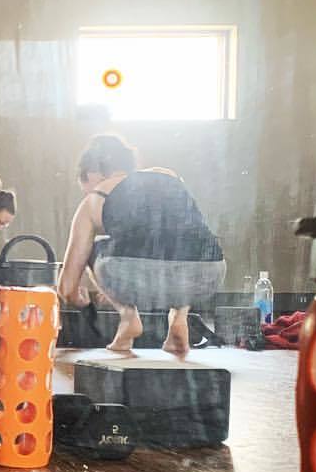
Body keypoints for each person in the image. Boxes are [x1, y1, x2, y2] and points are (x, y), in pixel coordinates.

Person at [56, 134, 225, 356]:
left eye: (85, 187)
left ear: (92, 173)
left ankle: (128, 318)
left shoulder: (95, 198)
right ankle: (179, 318)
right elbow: (181, 232)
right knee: (181, 241)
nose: (87, 193)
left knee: (94, 246)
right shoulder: (167, 175)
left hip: (135, 273)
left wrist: (82, 300)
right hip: (209, 274)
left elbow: (67, 288)